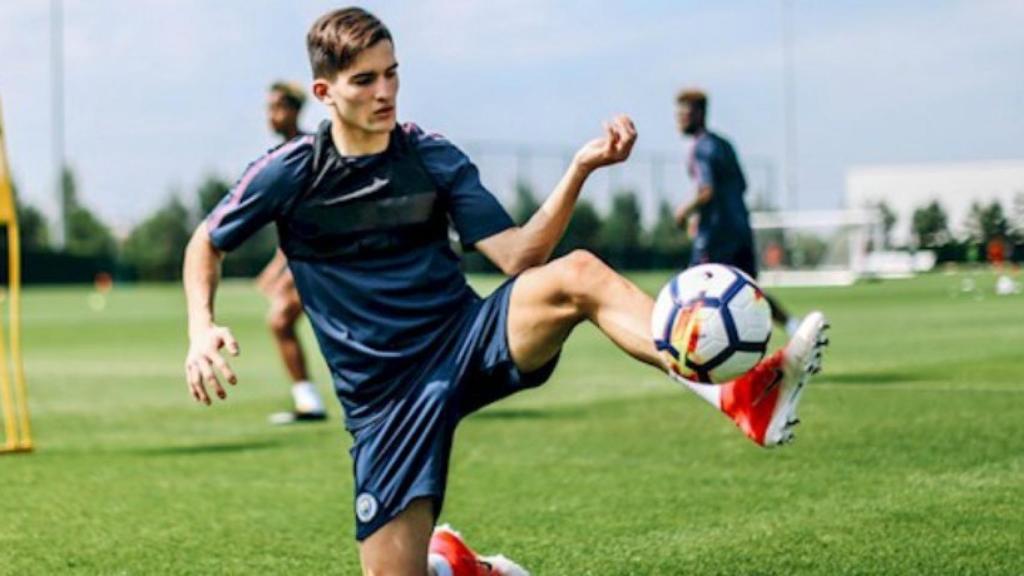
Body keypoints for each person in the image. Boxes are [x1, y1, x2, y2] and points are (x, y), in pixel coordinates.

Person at [183, 8, 828, 575]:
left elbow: (520, 257)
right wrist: (201, 327)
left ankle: (743, 392)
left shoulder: (429, 155)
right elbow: (205, 243)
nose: (385, 92)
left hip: (464, 341)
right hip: (383, 403)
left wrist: (580, 169)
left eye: (392, 73)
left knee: (577, 274)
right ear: (325, 92)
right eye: (365, 80)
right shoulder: (291, 171)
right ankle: (453, 563)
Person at [674, 89, 800, 335]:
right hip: (740, 229)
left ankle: (687, 349)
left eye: (683, 114)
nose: (678, 120)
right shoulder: (724, 145)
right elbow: (742, 185)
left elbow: (707, 190)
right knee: (747, 293)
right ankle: (794, 327)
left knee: (692, 292)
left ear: (698, 114)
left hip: (715, 237)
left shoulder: (700, 148)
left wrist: (684, 212)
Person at [255, 81, 329, 424]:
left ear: (294, 110)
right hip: (308, 260)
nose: (270, 116)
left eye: (276, 108)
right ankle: (308, 401)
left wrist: (289, 269)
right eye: (268, 109)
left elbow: (315, 217)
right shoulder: (282, 155)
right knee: (281, 321)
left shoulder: (308, 153)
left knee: (283, 320)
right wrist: (279, 265)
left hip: (328, 259)